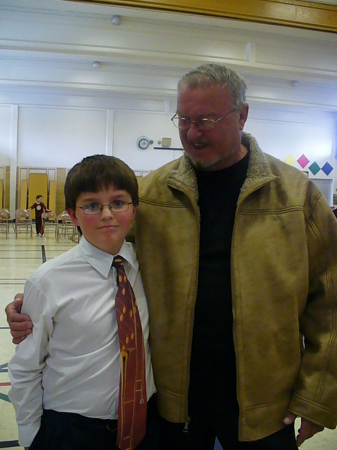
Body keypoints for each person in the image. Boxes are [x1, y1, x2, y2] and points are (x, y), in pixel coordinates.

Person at [6, 64, 337, 449]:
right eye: (184, 119)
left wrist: (318, 394)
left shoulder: (296, 197)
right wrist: (29, 305)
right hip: (173, 403)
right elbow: (105, 258)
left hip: (265, 406)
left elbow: (329, 303)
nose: (193, 133)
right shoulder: (153, 193)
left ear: (243, 115)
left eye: (207, 119)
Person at [8, 155, 158, 450]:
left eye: (118, 202)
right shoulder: (47, 281)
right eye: (91, 205)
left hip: (145, 423)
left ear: (134, 209)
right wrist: (31, 435)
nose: (106, 214)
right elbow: (26, 367)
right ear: (72, 215)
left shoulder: (148, 267)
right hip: (73, 430)